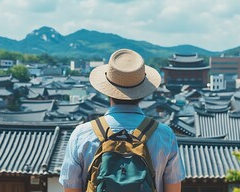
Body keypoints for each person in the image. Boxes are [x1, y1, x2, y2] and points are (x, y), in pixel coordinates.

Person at [59, 49, 185, 192]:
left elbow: (71, 188)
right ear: (142, 92)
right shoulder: (164, 135)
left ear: (107, 91)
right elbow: (174, 188)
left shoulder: (82, 134)